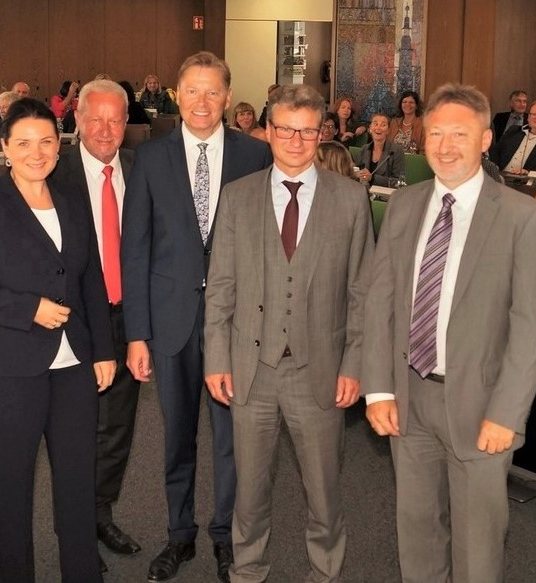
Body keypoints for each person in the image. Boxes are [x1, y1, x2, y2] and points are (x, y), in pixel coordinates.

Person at [362, 82, 536, 583]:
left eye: (460, 134)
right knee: (418, 532)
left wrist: (507, 414)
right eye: (436, 134)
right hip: (409, 397)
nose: (446, 146)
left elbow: (532, 327)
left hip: (482, 406)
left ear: (486, 140)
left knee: (477, 542)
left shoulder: (525, 218)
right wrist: (379, 388)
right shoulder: (404, 206)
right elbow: (380, 302)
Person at [0, 98, 116, 583]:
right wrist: (28, 309)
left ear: (59, 146)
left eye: (46, 142)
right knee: (13, 480)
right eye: (23, 143)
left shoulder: (73, 199)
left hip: (75, 361)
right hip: (8, 364)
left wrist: (103, 348)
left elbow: (92, 280)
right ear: (4, 148)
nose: (36, 153)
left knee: (77, 480)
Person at [204, 82, 374, 583]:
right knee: (249, 493)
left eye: (306, 131)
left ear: (322, 134)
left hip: (319, 371)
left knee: (324, 493)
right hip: (249, 371)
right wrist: (216, 357)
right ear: (268, 130)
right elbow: (221, 288)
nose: (295, 140)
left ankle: (325, 573)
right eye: (284, 129)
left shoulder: (350, 199)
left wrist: (355, 363)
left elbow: (363, 291)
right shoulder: (237, 198)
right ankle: (248, 571)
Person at [121, 51, 272, 583]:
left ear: (228, 97)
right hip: (170, 322)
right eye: (193, 91)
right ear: (176, 97)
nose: (202, 102)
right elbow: (133, 250)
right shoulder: (150, 158)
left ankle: (227, 537)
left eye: (213, 91)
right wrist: (136, 333)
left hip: (235, 326)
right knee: (176, 435)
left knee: (233, 439)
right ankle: (179, 535)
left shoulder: (257, 157)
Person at [49, 79, 145, 563]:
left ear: (127, 124)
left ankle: (99, 514)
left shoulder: (139, 168)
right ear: (78, 120)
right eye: (96, 118)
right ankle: (74, 533)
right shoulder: (53, 173)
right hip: (73, 323)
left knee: (117, 428)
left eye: (116, 119)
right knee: (74, 429)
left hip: (127, 322)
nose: (106, 130)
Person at [356, 112, 405, 186]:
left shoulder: (396, 150)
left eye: (383, 125)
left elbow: (399, 182)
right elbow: (356, 174)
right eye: (375, 124)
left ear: (388, 130)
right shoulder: (364, 149)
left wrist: (372, 178)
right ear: (370, 129)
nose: (378, 128)